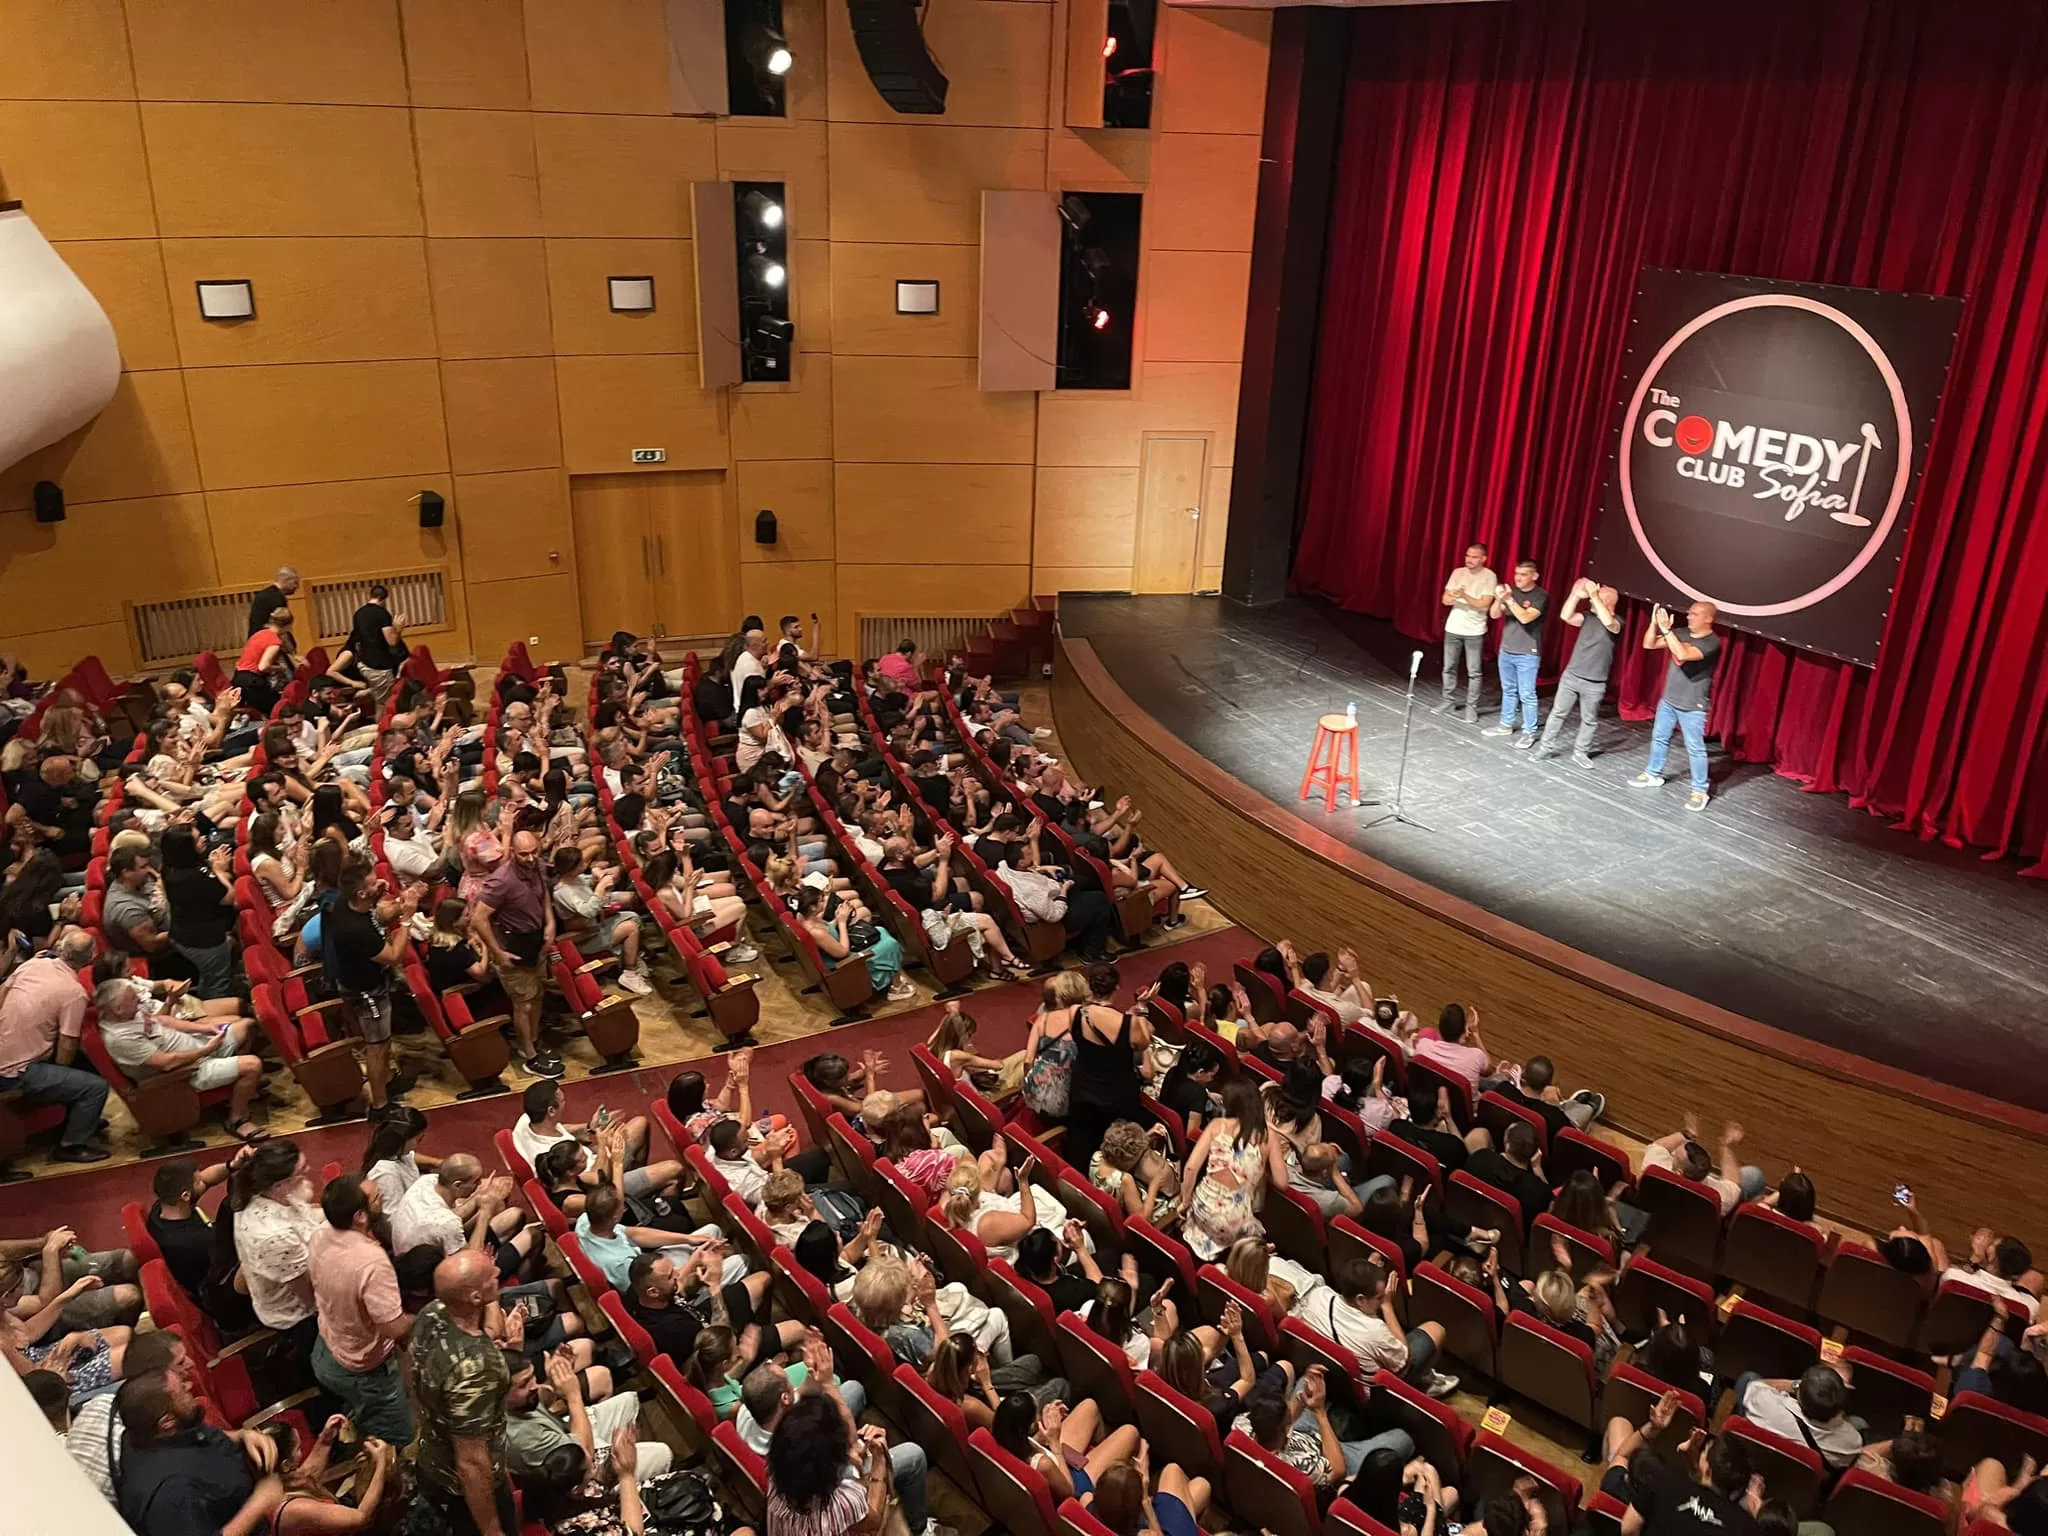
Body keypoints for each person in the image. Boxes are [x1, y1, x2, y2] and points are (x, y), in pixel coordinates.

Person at [411, 1250, 517, 1536]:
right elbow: (471, 1463)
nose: (498, 1272)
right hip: (464, 1490)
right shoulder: (478, 1369)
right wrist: (492, 1531)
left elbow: (416, 1370)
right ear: (475, 1298)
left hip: (430, 1456)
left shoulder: (431, 1313)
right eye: (490, 1275)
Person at [113, 1367, 287, 1536]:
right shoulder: (172, 1494)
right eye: (182, 1390)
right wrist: (260, 1503)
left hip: (252, 1483)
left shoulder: (142, 1433)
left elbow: (195, 1436)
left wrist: (240, 1435)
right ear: (167, 1422)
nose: (189, 1385)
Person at [94, 976, 268, 1144]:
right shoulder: (121, 1039)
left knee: (248, 1026)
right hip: (187, 1072)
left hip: (200, 1045)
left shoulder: (128, 1014)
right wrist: (205, 1050)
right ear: (118, 1009)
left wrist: (205, 1028)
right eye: (133, 998)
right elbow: (167, 1063)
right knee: (252, 1065)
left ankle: (239, 1089)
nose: (139, 1000)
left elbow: (163, 1021)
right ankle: (237, 1119)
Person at [308, 1173, 415, 1446]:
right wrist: (422, 1316)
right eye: (376, 1198)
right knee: (400, 1438)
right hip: (363, 1368)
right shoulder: (371, 1262)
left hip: (325, 1347)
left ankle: (359, 1422)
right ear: (360, 1216)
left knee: (359, 1407)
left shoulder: (320, 1233)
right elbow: (394, 1327)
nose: (382, 1198)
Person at [0, 928, 109, 1160]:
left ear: (59, 948)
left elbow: (1, 995)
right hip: (14, 1072)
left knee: (82, 1063)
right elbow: (66, 1051)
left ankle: (80, 1118)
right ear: (91, 958)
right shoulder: (74, 993)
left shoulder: (32, 964)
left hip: (5, 1051)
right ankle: (71, 1145)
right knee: (94, 1087)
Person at [323, 863, 421, 1110]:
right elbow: (394, 956)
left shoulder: (346, 902)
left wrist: (386, 898)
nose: (379, 883)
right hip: (367, 992)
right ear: (361, 893)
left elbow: (378, 916)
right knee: (377, 1047)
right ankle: (380, 1105)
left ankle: (386, 1082)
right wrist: (407, 919)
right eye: (373, 882)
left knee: (383, 1042)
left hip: (365, 982)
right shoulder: (355, 929)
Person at [504, 1347, 672, 1489]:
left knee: (628, 1400)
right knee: (661, 1453)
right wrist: (573, 1396)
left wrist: (553, 1381)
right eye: (524, 1384)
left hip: (567, 1436)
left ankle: (620, 1453)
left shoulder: (512, 1403)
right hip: (579, 1478)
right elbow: (583, 1457)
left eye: (532, 1376)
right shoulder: (520, 1436)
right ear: (500, 1394)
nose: (534, 1386)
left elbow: (538, 1403)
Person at [474, 830, 564, 1079]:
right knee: (523, 1004)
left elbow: (544, 895)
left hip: (537, 942)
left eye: (534, 852)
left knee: (537, 996)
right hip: (513, 947)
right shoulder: (501, 880)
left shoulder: (537, 866)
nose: (531, 858)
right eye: (524, 854)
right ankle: (530, 1057)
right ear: (512, 852)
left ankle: (533, 1040)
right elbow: (479, 918)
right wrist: (498, 952)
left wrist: (550, 923)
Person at [231, 1140, 324, 1356]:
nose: (308, 1171)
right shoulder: (276, 1237)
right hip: (298, 1318)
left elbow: (305, 1218)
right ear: (279, 1184)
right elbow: (308, 1297)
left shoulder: (257, 1194)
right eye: (301, 1171)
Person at [1180, 1079, 1289, 1261]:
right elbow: (1282, 1182)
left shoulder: (1217, 1125)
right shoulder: (1268, 1136)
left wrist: (1185, 1202)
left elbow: (1191, 1168)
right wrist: (1262, 1168)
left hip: (1202, 1206)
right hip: (1235, 1219)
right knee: (1256, 1234)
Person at [1631, 599, 1724, 812]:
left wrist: (1667, 630)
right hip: (1669, 699)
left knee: (1695, 748)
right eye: (1689, 612)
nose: (1689, 616)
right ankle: (1653, 774)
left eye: (1695, 614)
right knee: (1660, 738)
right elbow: (1649, 644)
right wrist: (1654, 624)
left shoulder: (1712, 643)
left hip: (1693, 705)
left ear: (1708, 619)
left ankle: (1699, 791)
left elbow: (1683, 654)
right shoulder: (1681, 633)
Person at [764, 1392, 891, 1536]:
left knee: (854, 1390)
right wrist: (880, 1460)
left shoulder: (774, 1475)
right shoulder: (844, 1502)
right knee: (910, 1455)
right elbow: (874, 1522)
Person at [1065, 964, 1149, 1169]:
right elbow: (1144, 1046)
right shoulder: (1130, 1023)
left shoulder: (1075, 1012)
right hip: (1116, 1096)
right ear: (1117, 988)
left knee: (1083, 1144)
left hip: (1083, 1089)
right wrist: (1141, 1014)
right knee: (1118, 1149)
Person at [1537, 577, 1623, 764]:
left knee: (1589, 720)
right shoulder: (1588, 617)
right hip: (1571, 676)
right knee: (1557, 713)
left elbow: (1609, 624)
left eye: (1596, 597)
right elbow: (1566, 616)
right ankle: (1545, 748)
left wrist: (1594, 595)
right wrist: (1575, 595)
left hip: (1594, 683)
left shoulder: (1617, 621)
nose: (1591, 600)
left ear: (1607, 601)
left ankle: (1580, 753)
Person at [1735, 1363, 1861, 1471]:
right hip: (1799, 1484)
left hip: (1761, 1461)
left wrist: (1795, 1384)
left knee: (1747, 1378)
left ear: (1798, 1396)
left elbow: (1754, 1385)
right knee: (1859, 1422)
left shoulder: (1765, 1402)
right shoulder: (1852, 1444)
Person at [1484, 560, 1548, 747]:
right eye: (1516, 574)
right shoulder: (1511, 591)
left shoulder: (1540, 596)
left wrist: (1510, 600)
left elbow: (1525, 618)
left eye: (1523, 574)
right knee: (1509, 690)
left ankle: (1529, 731)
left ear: (1534, 576)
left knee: (1527, 694)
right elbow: (1494, 614)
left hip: (1528, 652)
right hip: (1507, 649)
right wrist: (1499, 599)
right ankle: (1506, 724)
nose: (1518, 578)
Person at [1435, 542, 1498, 721]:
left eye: (1474, 557)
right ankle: (1448, 700)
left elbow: (1484, 604)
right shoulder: (1458, 572)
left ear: (1483, 559)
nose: (1469, 559)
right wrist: (1456, 597)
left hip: (1474, 630)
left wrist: (1463, 595)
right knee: (1449, 667)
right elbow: (1445, 600)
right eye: (1467, 555)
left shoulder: (1489, 576)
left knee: (1474, 671)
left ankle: (1472, 706)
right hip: (1453, 627)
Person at [342, 583, 407, 699]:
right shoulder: (382, 614)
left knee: (379, 696)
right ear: (383, 598)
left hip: (364, 662)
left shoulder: (358, 614)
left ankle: (370, 692)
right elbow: (392, 642)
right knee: (386, 702)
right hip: (379, 666)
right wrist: (398, 628)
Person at [248, 566, 300, 636]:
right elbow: (281, 628)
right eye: (295, 583)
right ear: (287, 580)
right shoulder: (277, 598)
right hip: (266, 639)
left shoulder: (263, 594)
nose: (297, 587)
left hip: (255, 638)